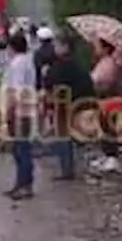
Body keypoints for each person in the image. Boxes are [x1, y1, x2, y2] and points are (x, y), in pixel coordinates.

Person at [42, 33, 94, 180]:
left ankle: (67, 169)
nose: (54, 48)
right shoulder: (78, 65)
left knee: (63, 139)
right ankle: (74, 167)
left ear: (65, 47)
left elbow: (49, 85)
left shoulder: (59, 67)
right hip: (80, 105)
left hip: (65, 107)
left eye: (57, 45)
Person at [1, 31, 38, 198]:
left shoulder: (16, 64)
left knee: (21, 149)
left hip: (19, 112)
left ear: (12, 47)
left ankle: (24, 185)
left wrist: (9, 111)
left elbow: (16, 91)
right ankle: (22, 184)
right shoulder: (28, 62)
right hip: (27, 110)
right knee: (22, 148)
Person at [89, 39, 122, 173]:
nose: (95, 48)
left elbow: (104, 81)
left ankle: (112, 157)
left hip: (108, 99)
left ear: (105, 48)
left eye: (97, 46)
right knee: (103, 126)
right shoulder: (103, 62)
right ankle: (106, 154)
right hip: (102, 99)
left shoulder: (110, 63)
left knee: (108, 126)